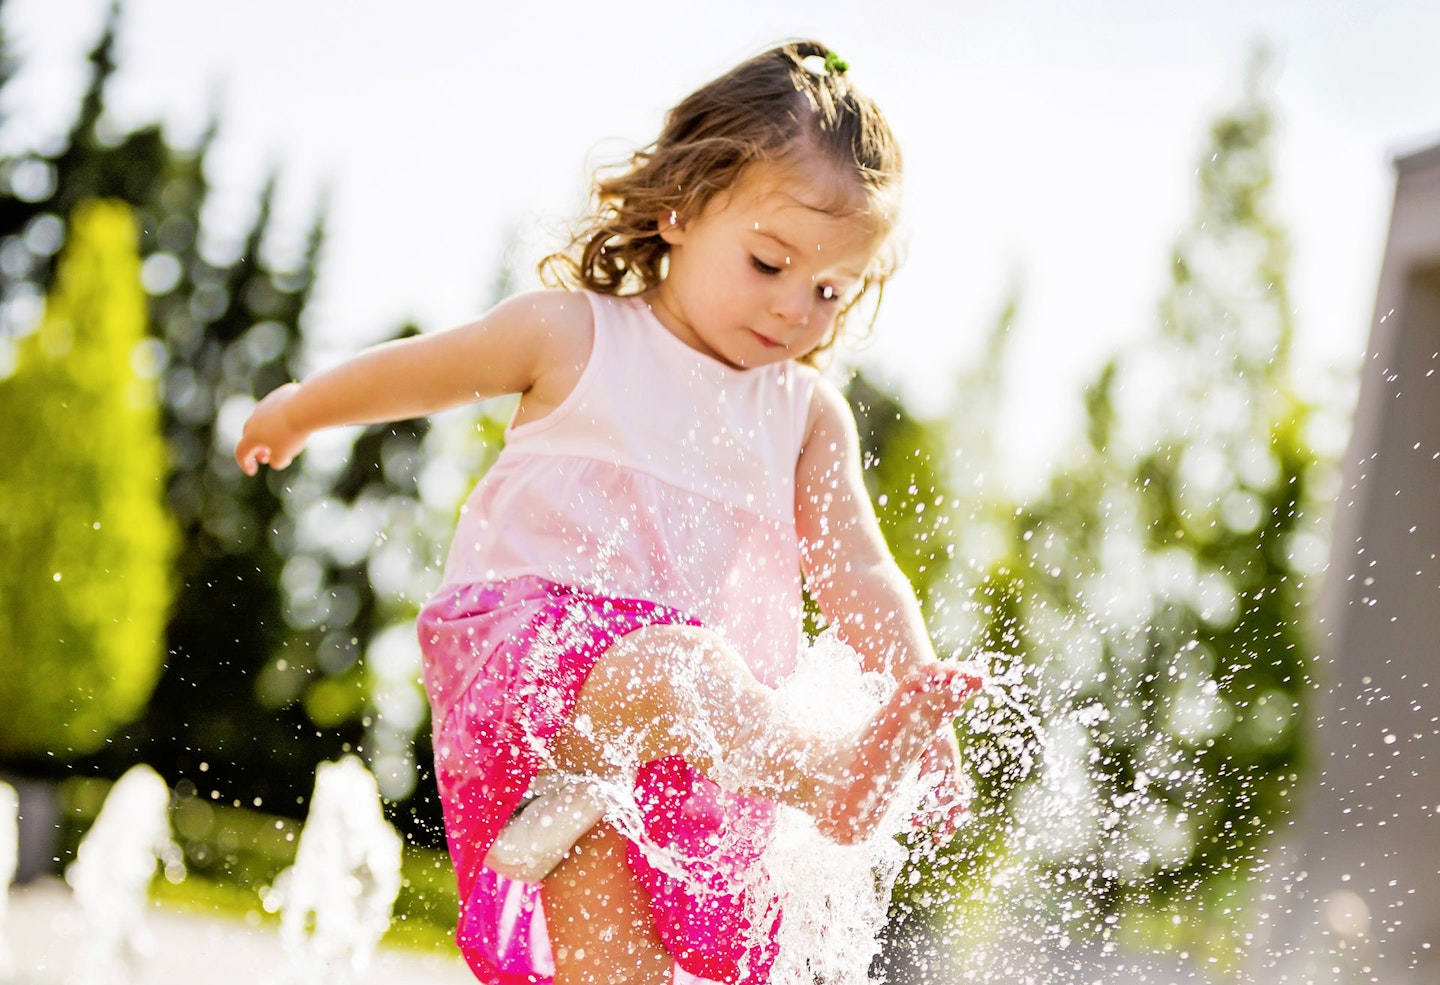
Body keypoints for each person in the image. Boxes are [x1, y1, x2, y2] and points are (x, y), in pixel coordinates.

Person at [236, 39, 982, 985]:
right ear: (678, 209)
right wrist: (302, 408)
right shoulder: (576, 334)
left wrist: (919, 708)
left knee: (620, 968)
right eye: (768, 262)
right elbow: (423, 370)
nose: (796, 307)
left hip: (674, 761)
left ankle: (807, 777)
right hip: (535, 676)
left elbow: (860, 572)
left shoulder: (803, 416)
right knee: (677, 658)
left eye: (830, 290)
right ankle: (828, 780)